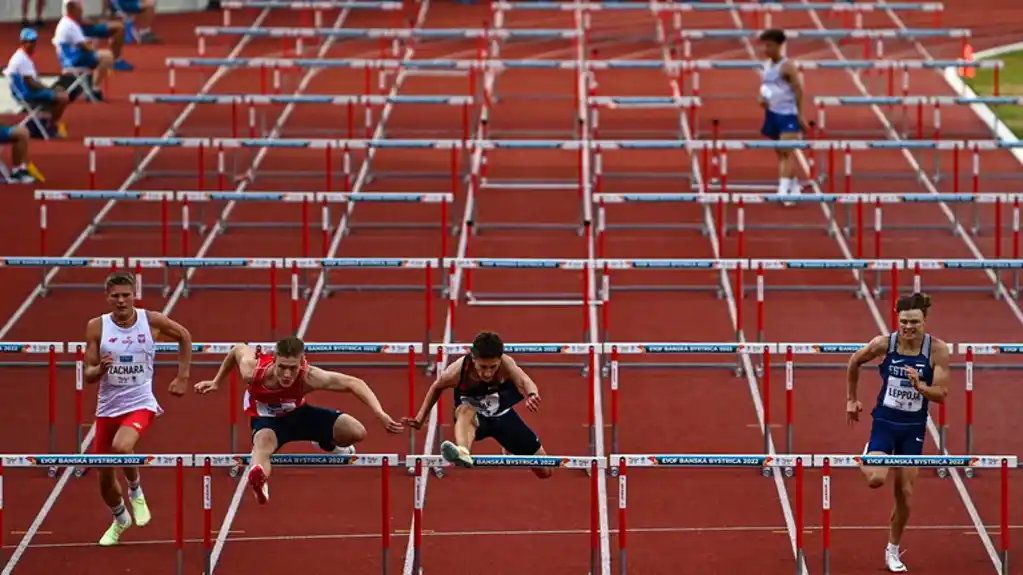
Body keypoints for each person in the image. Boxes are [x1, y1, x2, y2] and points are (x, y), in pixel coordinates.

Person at [194, 336, 404, 505]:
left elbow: (353, 382)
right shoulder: (253, 372)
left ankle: (325, 442)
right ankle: (260, 480)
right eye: (282, 366)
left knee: (356, 432)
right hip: (268, 421)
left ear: (302, 363)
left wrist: (380, 413)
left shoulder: (309, 376)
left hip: (299, 414)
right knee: (262, 446)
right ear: (274, 360)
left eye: (293, 368)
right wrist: (216, 382)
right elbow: (237, 349)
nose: (287, 374)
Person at [83, 271, 192, 546]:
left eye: (126, 295)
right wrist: (101, 368)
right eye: (115, 296)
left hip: (140, 401)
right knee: (104, 478)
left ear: (134, 295)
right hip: (108, 407)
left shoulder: (150, 320)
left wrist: (182, 376)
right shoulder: (97, 326)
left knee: (122, 447)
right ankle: (120, 519)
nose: (121, 301)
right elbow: (88, 374)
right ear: (107, 297)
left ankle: (136, 491)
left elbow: (184, 336)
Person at [845, 293, 950, 573]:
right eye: (904, 321)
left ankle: (892, 550)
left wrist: (920, 387)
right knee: (876, 480)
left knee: (904, 491)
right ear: (897, 320)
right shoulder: (884, 343)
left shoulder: (937, 350)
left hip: (913, 428)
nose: (908, 327)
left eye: (914, 322)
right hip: (884, 422)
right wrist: (851, 399)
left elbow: (941, 394)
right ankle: (870, 453)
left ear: (924, 322)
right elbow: (854, 361)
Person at [404, 331, 550, 479]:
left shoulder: (506, 363)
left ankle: (508, 444)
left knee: (545, 471)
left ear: (500, 360)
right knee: (465, 410)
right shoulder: (457, 371)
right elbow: (436, 387)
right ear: (473, 358)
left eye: (493, 367)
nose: (487, 373)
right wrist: (420, 417)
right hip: (474, 420)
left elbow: (524, 380)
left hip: (503, 417)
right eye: (483, 367)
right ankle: (463, 451)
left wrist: (532, 394)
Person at [757, 28, 807, 206]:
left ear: (779, 46)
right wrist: (762, 97)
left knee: (786, 153)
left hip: (788, 115)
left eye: (769, 45)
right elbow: (766, 86)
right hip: (772, 114)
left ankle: (782, 192)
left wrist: (800, 115)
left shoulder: (787, 67)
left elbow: (799, 90)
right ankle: (794, 187)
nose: (766, 49)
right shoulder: (766, 65)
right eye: (764, 45)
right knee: (782, 155)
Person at [53, 0, 131, 100]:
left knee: (100, 49)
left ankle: (91, 82)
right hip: (74, 59)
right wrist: (94, 51)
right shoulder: (71, 25)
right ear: (72, 8)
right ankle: (94, 88)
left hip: (70, 56)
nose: (81, 10)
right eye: (79, 8)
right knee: (107, 56)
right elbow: (84, 47)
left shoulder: (67, 22)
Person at [6, 28, 69, 138]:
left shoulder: (23, 56)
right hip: (26, 93)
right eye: (30, 41)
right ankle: (50, 126)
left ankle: (46, 122)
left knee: (59, 94)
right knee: (62, 98)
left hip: (26, 90)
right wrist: (50, 89)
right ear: (23, 42)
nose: (33, 44)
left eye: (34, 41)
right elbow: (32, 84)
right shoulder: (22, 59)